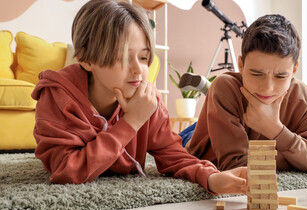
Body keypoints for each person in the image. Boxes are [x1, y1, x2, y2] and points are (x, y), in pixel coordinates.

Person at [31, 0, 248, 195]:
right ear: (86, 60)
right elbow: (65, 171)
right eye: (122, 57)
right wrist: (131, 122)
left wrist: (211, 177)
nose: (138, 70)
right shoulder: (57, 97)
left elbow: (174, 156)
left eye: (144, 57)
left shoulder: (146, 97)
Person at [184, 14, 307, 173]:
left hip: (228, 121)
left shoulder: (303, 96)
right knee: (175, 142)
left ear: (294, 70)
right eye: (256, 74)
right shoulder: (225, 87)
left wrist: (276, 131)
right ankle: (210, 99)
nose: (267, 88)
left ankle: (210, 98)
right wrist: (296, 157)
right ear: (241, 65)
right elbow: (235, 165)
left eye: (280, 76)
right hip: (202, 139)